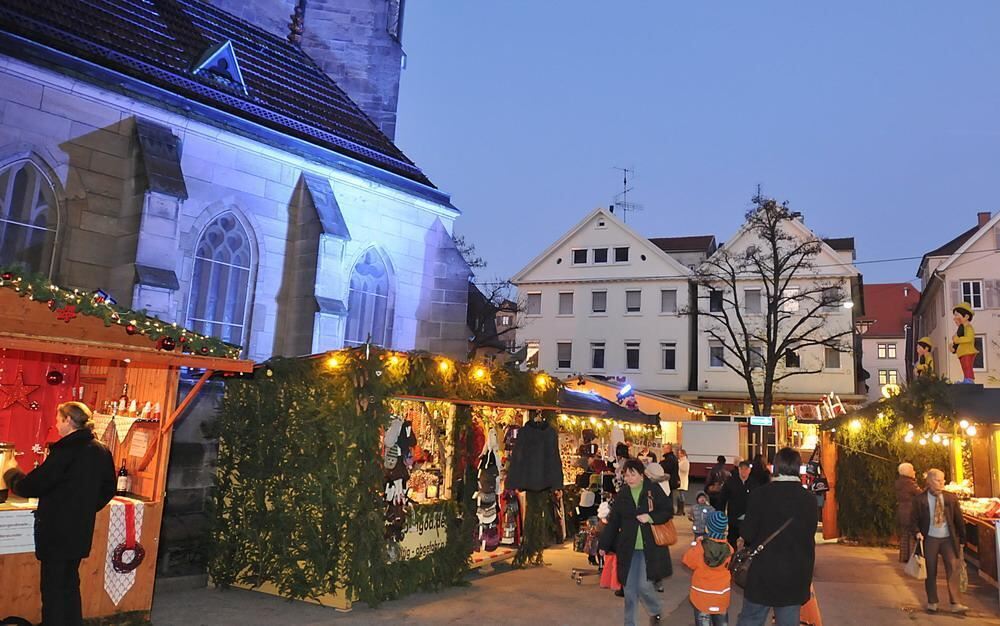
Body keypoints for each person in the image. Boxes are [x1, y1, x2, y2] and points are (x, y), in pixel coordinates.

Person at [1, 402, 116, 626]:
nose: (55, 423)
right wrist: (84, 508)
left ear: (68, 421)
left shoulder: (65, 451)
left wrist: (10, 472)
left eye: (58, 419)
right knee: (70, 586)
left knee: (53, 590)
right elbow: (108, 488)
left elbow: (31, 486)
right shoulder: (100, 450)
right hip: (79, 530)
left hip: (56, 531)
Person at [736, 447, 817, 626]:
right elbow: (809, 535)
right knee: (788, 621)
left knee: (751, 618)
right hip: (794, 573)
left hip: (762, 572)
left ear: (775, 468)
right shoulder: (809, 499)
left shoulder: (760, 494)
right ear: (798, 468)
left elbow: (747, 533)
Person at [599, 458, 674, 626]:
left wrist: (650, 517)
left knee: (644, 586)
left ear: (642, 475)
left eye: (632, 475)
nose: (629, 479)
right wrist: (604, 545)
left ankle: (655, 610)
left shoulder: (653, 490)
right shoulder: (623, 495)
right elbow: (613, 522)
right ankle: (630, 623)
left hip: (650, 548)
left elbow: (668, 511)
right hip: (628, 548)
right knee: (629, 590)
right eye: (626, 475)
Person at [912, 469, 968, 613]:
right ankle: (932, 601)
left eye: (943, 480)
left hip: (948, 538)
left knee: (953, 569)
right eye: (938, 480)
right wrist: (917, 532)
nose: (942, 483)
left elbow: (958, 519)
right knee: (930, 570)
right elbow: (914, 520)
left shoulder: (950, 498)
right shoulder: (920, 499)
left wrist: (962, 538)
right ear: (929, 481)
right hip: (929, 538)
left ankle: (955, 602)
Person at [683, 511, 733, 626]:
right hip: (721, 597)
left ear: (707, 528)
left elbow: (687, 560)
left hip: (701, 597)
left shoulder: (700, 548)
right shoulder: (729, 549)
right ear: (725, 528)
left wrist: (697, 543)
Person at [718, 461, 756, 549]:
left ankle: (746, 557)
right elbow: (722, 498)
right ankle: (732, 556)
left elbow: (758, 500)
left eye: (746, 469)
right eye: (742, 469)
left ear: (749, 470)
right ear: (738, 469)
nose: (744, 471)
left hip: (748, 517)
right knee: (732, 538)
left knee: (749, 540)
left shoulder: (754, 483)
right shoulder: (730, 482)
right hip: (734, 516)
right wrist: (721, 512)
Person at [894, 462, 921, 563]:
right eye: (913, 469)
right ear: (908, 472)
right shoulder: (910, 484)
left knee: (904, 534)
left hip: (902, 511)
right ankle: (911, 558)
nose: (914, 471)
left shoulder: (899, 483)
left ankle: (903, 557)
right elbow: (920, 494)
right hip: (910, 511)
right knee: (912, 534)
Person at [950, 302, 978, 384]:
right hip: (962, 352)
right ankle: (966, 379)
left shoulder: (968, 327)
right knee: (964, 367)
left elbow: (969, 338)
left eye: (957, 315)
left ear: (966, 316)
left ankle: (969, 380)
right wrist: (953, 348)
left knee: (967, 366)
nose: (955, 318)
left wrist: (957, 340)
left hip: (968, 351)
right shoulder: (961, 328)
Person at [660, 444, 681, 515]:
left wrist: (661, 463)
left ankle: (671, 511)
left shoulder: (669, 459)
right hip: (673, 481)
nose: (663, 450)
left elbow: (666, 469)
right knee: (672, 497)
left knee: (670, 497)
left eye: (664, 448)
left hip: (669, 481)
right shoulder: (673, 457)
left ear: (668, 449)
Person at [677, 448, 690, 515]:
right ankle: (679, 510)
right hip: (679, 480)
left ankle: (681, 510)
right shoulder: (680, 461)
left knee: (681, 495)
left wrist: (678, 466)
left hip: (682, 480)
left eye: (680, 453)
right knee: (679, 495)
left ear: (683, 454)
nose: (679, 455)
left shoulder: (685, 461)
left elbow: (684, 470)